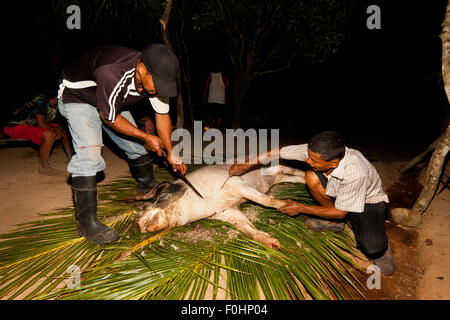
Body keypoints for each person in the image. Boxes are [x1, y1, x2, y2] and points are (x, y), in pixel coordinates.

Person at [58, 44, 187, 245]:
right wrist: (146, 137)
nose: (161, 88)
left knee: (135, 147)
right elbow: (108, 117)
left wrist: (170, 151)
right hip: (78, 97)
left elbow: (162, 115)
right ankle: (86, 223)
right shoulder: (113, 73)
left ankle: (146, 187)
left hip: (109, 100)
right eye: (158, 82)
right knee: (89, 155)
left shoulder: (156, 78)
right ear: (142, 68)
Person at [229, 131, 395, 275]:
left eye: (314, 160)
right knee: (311, 175)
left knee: (370, 244)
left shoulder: (356, 173)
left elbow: (341, 212)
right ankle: (334, 223)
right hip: (340, 191)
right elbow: (276, 152)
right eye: (308, 155)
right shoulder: (315, 153)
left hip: (368, 201)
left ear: (334, 163)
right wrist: (246, 165)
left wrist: (300, 207)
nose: (308, 160)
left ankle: (382, 254)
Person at [3, 93, 73, 175]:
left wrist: (57, 129)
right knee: (49, 134)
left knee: (62, 130)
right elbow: (41, 124)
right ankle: (44, 168)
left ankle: (71, 159)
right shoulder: (42, 100)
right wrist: (54, 129)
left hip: (30, 125)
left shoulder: (55, 105)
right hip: (14, 126)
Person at [201, 65, 230, 129]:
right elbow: (227, 89)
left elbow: (206, 88)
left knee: (211, 116)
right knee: (219, 116)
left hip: (211, 99)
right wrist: (227, 98)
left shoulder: (210, 76)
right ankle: (217, 129)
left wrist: (203, 98)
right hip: (221, 100)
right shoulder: (224, 77)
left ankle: (212, 127)